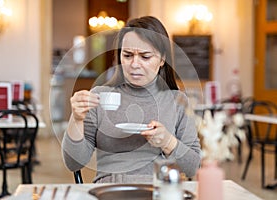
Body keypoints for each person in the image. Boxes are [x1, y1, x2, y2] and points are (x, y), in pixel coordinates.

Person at [62, 16, 201, 183]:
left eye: (145, 57)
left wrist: (168, 142)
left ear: (162, 59)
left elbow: (193, 167)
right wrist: (76, 119)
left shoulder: (178, 101)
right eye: (127, 55)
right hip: (110, 190)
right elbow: (73, 163)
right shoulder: (100, 96)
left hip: (158, 190)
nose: (134, 64)